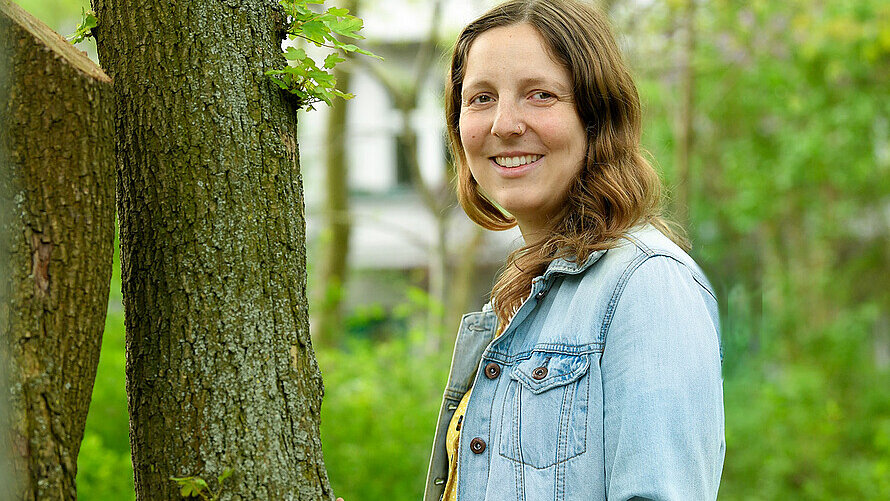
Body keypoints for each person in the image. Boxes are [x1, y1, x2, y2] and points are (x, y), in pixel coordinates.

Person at [422, 0, 725, 500]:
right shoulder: (519, 298)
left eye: (540, 95)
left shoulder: (647, 285)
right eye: (480, 98)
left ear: (597, 116)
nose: (504, 124)